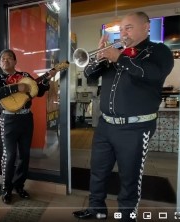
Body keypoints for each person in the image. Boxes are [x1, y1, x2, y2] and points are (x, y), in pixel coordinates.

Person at [72, 12, 174, 221]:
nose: (123, 33)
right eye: (120, 29)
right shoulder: (116, 52)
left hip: (135, 128)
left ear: (146, 27)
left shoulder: (158, 51)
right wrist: (99, 56)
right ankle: (96, 209)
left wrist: (119, 58)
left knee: (130, 177)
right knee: (98, 171)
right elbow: (90, 75)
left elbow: (149, 73)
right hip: (106, 125)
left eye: (128, 27)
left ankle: (127, 216)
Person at [0, 49, 58, 204]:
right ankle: (6, 189)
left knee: (24, 155)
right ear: (0, 63)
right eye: (2, 59)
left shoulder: (26, 76)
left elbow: (38, 91)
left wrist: (47, 79)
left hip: (26, 118)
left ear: (15, 62)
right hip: (8, 119)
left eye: (9, 58)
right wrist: (16, 88)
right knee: (10, 156)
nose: (5, 60)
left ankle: (19, 186)